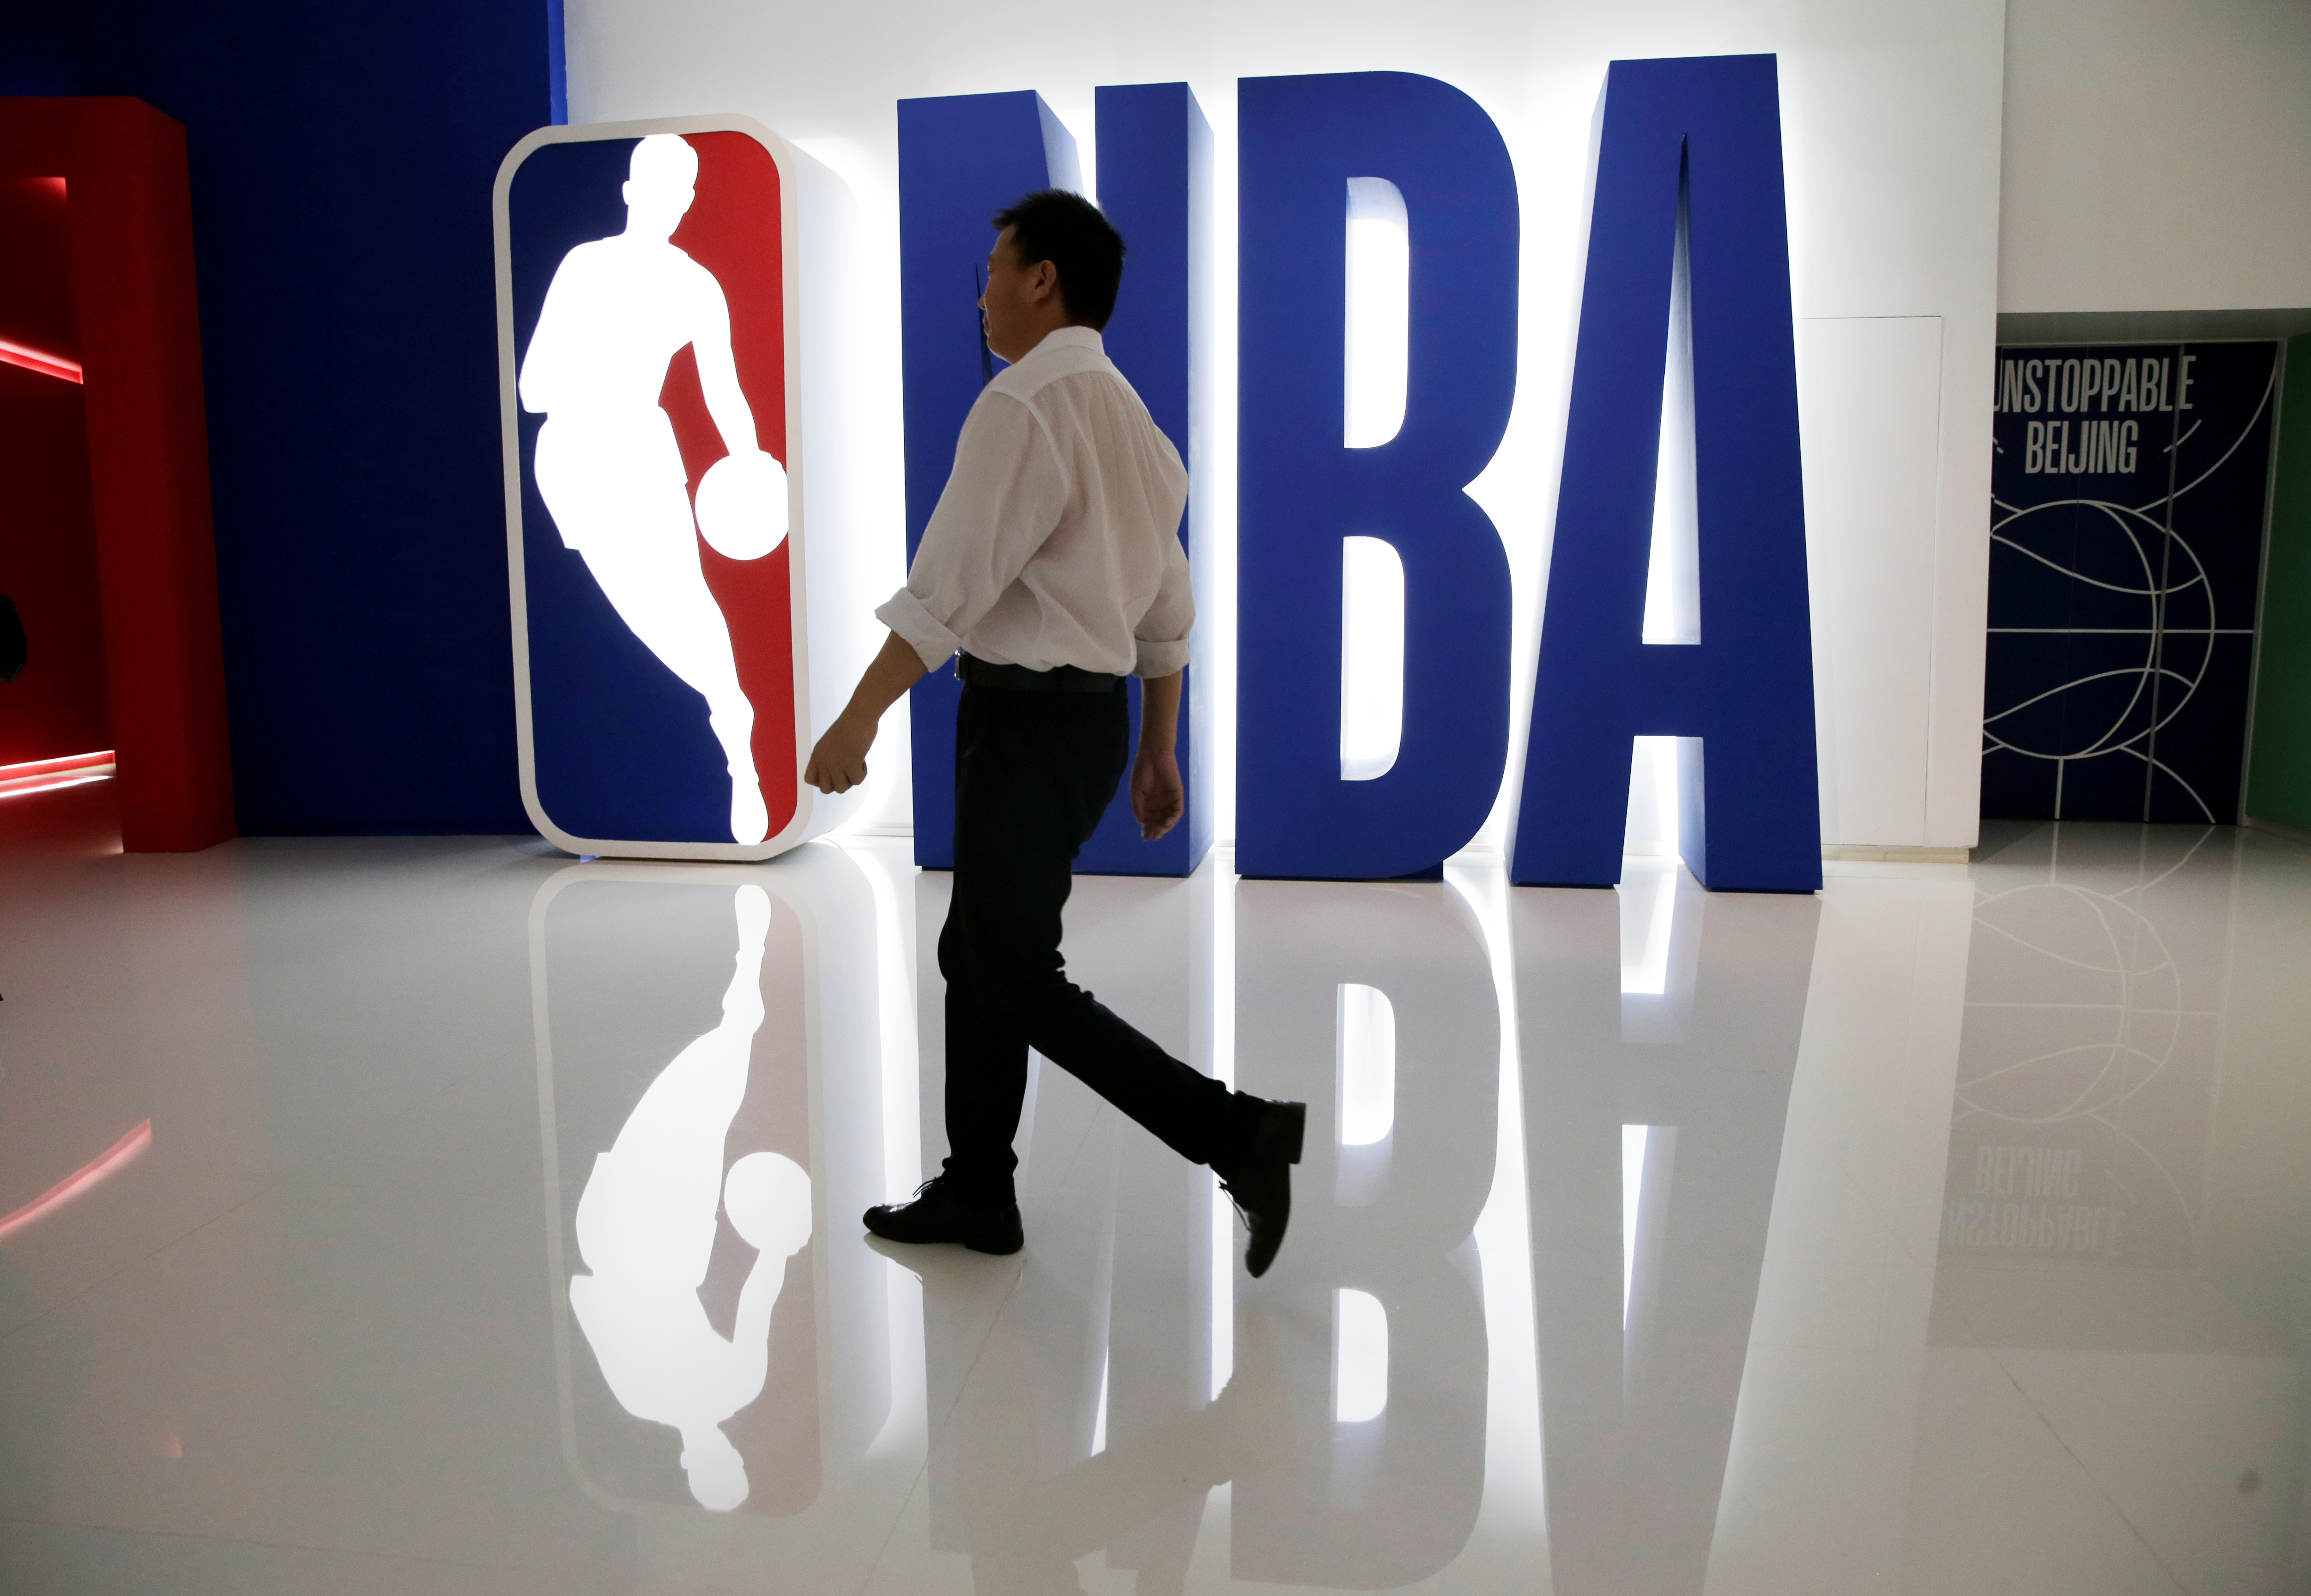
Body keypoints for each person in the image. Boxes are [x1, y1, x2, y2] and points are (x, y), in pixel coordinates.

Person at [805, 190, 1304, 1277]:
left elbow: (946, 591)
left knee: (1011, 968)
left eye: (995, 267)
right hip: (1089, 728)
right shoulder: (1136, 424)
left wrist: (856, 716)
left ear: (1042, 279)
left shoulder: (1022, 406)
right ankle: (980, 1189)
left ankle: (1238, 1134)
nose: (981, 290)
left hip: (1023, 724)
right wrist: (1157, 748)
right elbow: (1167, 614)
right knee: (982, 953)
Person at [519, 133, 779, 846]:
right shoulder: (586, 265)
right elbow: (533, 384)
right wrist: (593, 375)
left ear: (688, 201)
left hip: (640, 449)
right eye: (657, 188)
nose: (669, 204)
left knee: (686, 596)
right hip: (576, 456)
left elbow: (724, 392)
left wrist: (751, 462)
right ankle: (728, 708)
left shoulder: (696, 285)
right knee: (644, 608)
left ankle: (735, 730)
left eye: (679, 192)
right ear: (631, 192)